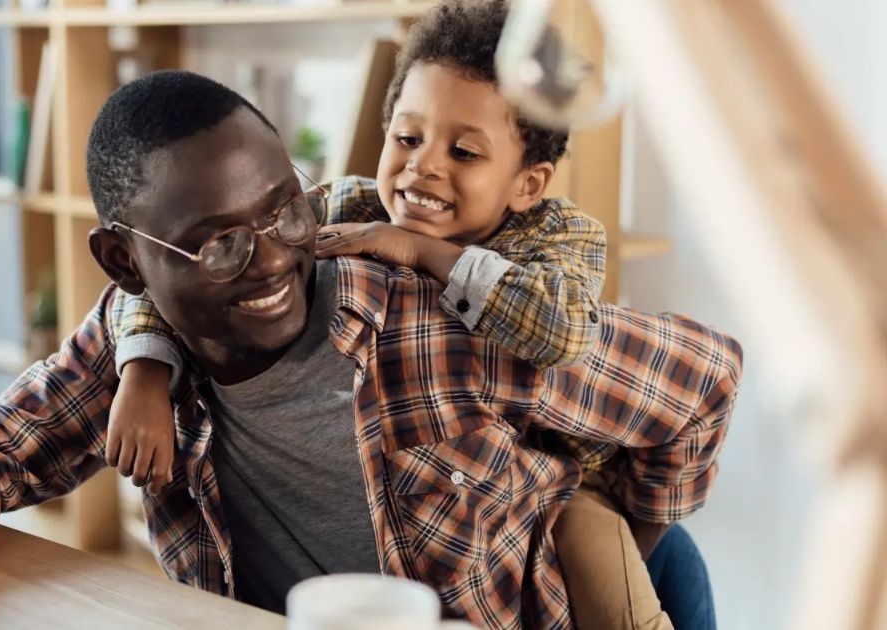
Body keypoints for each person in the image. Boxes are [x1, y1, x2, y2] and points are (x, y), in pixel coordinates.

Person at [0, 69, 742, 629]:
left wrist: (632, 520)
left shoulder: (436, 322)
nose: (271, 258)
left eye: (285, 208)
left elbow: (704, 377)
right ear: (124, 261)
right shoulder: (139, 348)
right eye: (217, 243)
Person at [104, 2, 672, 627]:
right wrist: (145, 370)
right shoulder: (350, 203)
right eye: (407, 138)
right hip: (454, 507)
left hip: (569, 486)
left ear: (528, 185)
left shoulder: (559, 234)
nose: (424, 164)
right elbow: (183, 269)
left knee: (622, 605)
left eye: (464, 152)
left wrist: (429, 253)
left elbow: (562, 333)